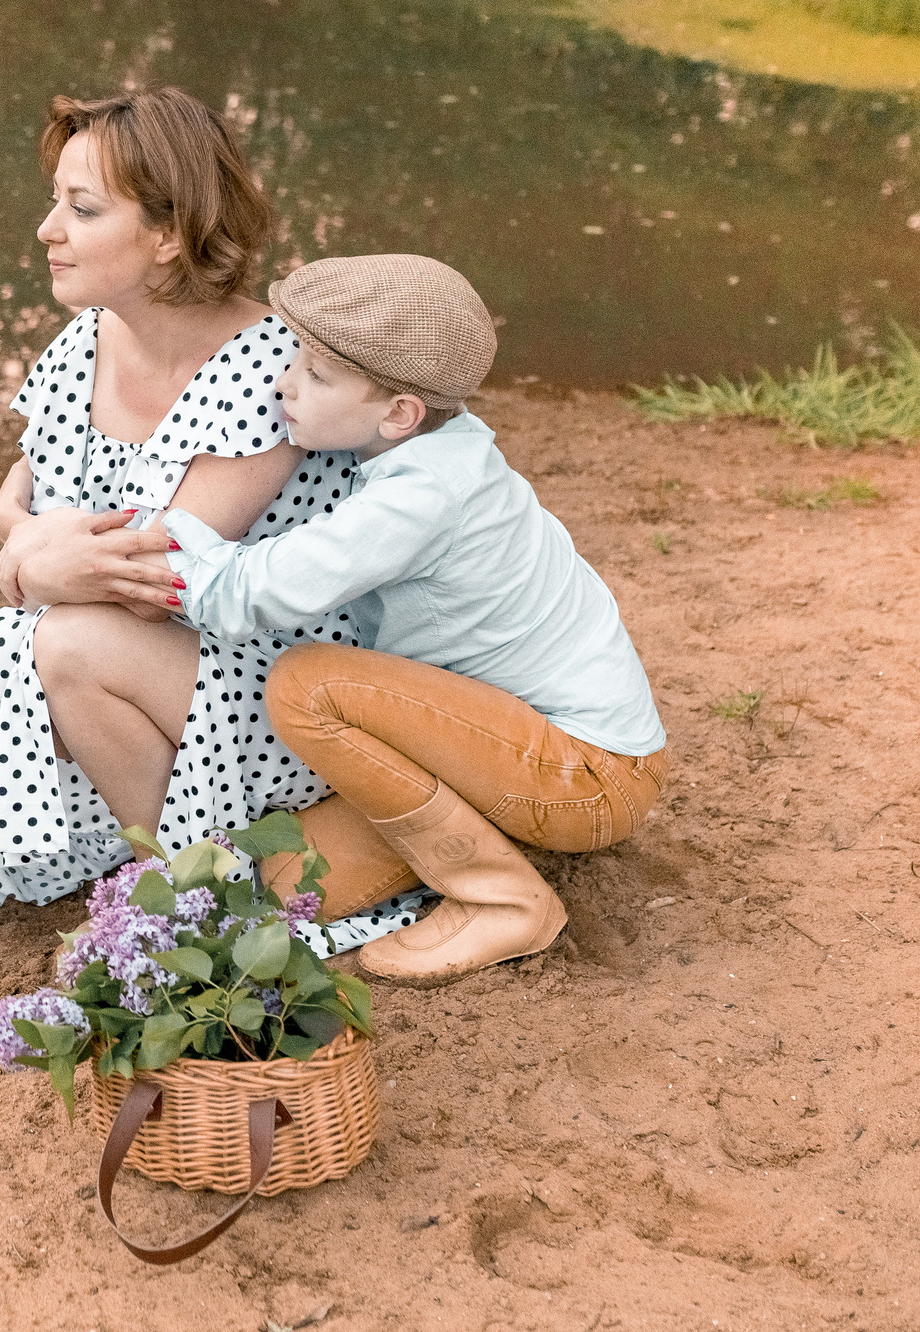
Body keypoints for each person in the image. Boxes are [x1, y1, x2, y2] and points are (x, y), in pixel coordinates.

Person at [0, 87, 425, 956]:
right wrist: (29, 556)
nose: (46, 229)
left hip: (289, 693)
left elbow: (157, 581)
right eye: (55, 199)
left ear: (170, 233)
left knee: (58, 642)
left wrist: (27, 561)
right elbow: (16, 504)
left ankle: (205, 895)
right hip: (171, 666)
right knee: (9, 646)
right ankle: (161, 856)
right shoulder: (86, 341)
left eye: (82, 207)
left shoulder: (270, 368)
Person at [39, 252, 670, 985]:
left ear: (398, 413)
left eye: (316, 375)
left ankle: (502, 898)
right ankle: (478, 840)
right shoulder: (423, 452)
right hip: (493, 751)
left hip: (587, 773)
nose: (283, 384)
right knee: (279, 887)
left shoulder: (424, 495)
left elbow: (256, 591)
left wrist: (128, 556)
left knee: (309, 685)